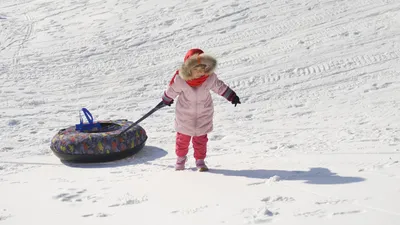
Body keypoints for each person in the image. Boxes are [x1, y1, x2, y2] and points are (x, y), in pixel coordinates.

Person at [161, 48, 241, 171]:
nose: (199, 73)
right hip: (185, 116)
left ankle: (200, 161)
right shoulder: (181, 79)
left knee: (201, 141)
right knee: (182, 140)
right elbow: (172, 90)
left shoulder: (210, 78)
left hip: (204, 114)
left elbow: (220, 87)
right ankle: (180, 159)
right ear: (188, 69)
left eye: (202, 69)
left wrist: (231, 96)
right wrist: (167, 98)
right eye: (196, 70)